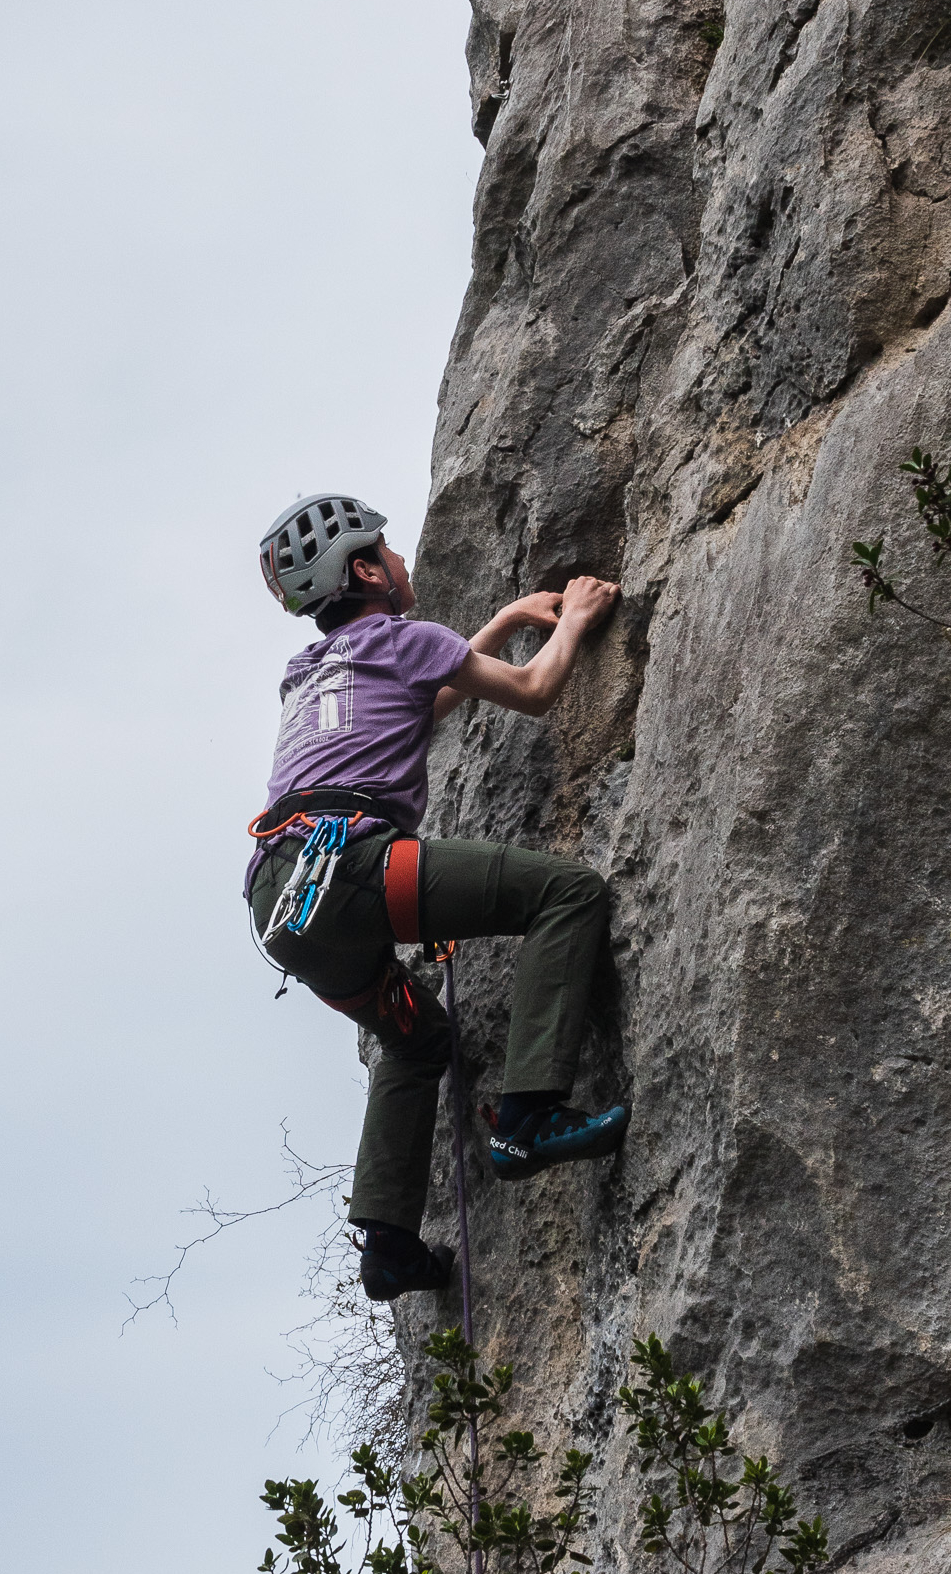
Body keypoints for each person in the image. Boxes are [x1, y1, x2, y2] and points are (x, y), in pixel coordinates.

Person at [245, 493, 631, 1302]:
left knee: (418, 1042)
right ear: (364, 569)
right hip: (352, 865)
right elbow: (531, 690)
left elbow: (417, 700)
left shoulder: (308, 671)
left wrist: (494, 622)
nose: (402, 561)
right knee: (568, 892)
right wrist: (576, 618)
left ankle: (387, 1243)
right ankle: (529, 1121)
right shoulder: (404, 639)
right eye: (387, 550)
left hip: (283, 905)